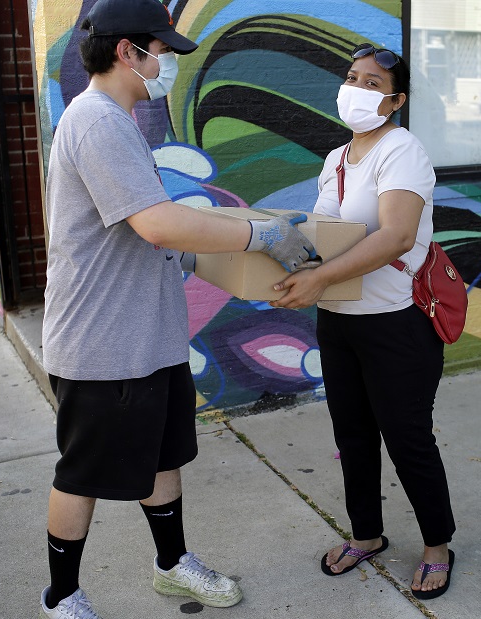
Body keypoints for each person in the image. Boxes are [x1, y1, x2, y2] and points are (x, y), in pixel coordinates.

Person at [39, 0, 315, 617]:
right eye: (159, 51)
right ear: (126, 52)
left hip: (147, 336)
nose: (165, 63)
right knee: (82, 473)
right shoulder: (97, 122)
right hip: (102, 343)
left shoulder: (117, 120)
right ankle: (61, 597)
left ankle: (172, 566)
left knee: (163, 458)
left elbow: (136, 232)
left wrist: (205, 262)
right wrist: (257, 236)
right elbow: (159, 223)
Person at [270, 43, 456, 599]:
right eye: (352, 77)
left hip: (395, 321)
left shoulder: (403, 153)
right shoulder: (336, 159)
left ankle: (437, 545)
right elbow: (330, 234)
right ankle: (367, 535)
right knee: (352, 435)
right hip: (339, 318)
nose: (356, 88)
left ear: (395, 100)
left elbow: (397, 236)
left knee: (407, 437)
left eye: (372, 83)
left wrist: (320, 278)